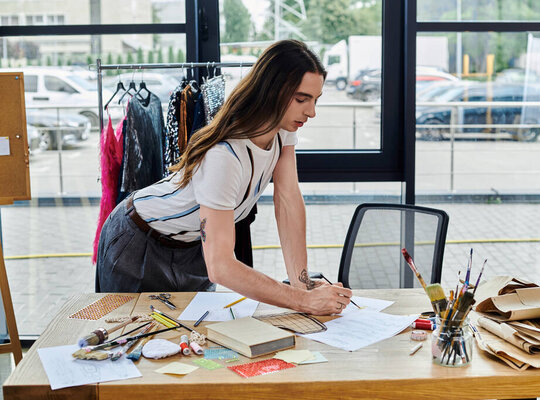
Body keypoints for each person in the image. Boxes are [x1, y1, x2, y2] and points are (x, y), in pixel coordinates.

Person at [96, 40, 353, 315]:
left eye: (315, 99)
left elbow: (288, 200)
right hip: (139, 238)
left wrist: (303, 286)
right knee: (129, 341)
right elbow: (221, 267)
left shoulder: (283, 129)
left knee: (195, 337)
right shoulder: (224, 156)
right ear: (271, 91)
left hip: (192, 245)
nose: (311, 111)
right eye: (302, 99)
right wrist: (301, 301)